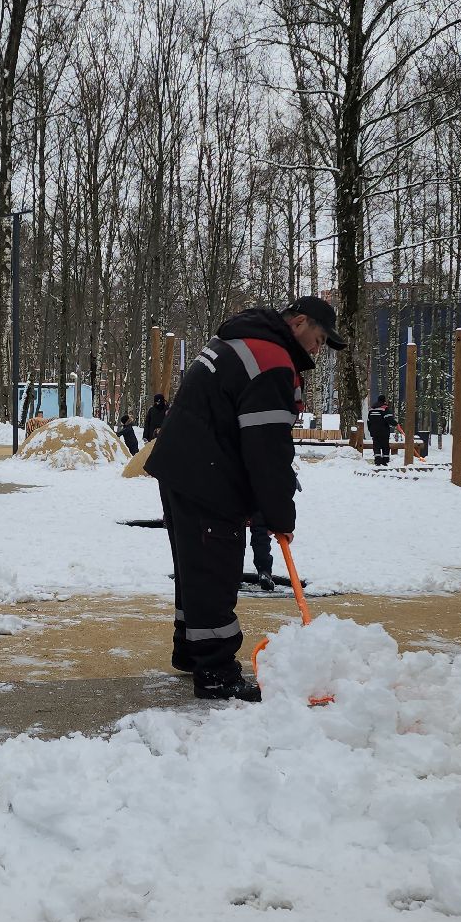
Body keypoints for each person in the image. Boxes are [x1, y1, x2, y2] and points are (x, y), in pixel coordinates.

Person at [146, 296, 344, 701]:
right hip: (208, 475)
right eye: (319, 338)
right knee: (214, 572)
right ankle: (216, 672)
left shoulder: (242, 340)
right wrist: (278, 512)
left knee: (194, 569)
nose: (317, 350)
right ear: (300, 322)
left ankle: (191, 652)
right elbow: (267, 451)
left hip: (183, 467)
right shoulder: (271, 360)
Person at [368, 394, 397, 466]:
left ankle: (377, 461)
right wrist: (395, 424)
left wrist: (371, 430)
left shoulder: (372, 409)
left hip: (374, 431)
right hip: (383, 431)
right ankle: (385, 461)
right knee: (385, 446)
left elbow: (368, 421)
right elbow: (389, 419)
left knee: (376, 446)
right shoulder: (385, 408)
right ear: (384, 400)